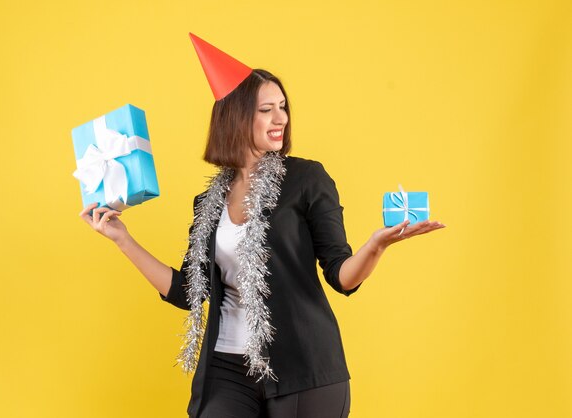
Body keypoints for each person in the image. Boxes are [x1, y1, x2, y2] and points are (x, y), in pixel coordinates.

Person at [79, 34, 445, 418]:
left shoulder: (306, 179)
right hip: (226, 368)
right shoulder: (208, 203)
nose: (281, 119)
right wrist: (123, 240)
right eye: (266, 110)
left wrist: (376, 246)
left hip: (303, 367)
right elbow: (188, 292)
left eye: (283, 107)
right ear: (236, 118)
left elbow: (342, 276)